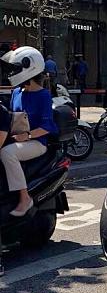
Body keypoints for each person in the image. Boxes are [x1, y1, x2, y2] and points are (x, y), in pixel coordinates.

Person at [0, 46, 58, 217]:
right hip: (18, 138)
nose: (11, 73)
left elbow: (47, 126)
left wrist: (27, 136)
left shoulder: (43, 95)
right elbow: (10, 117)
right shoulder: (17, 92)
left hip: (37, 142)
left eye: (15, 69)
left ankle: (25, 198)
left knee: (7, 153)